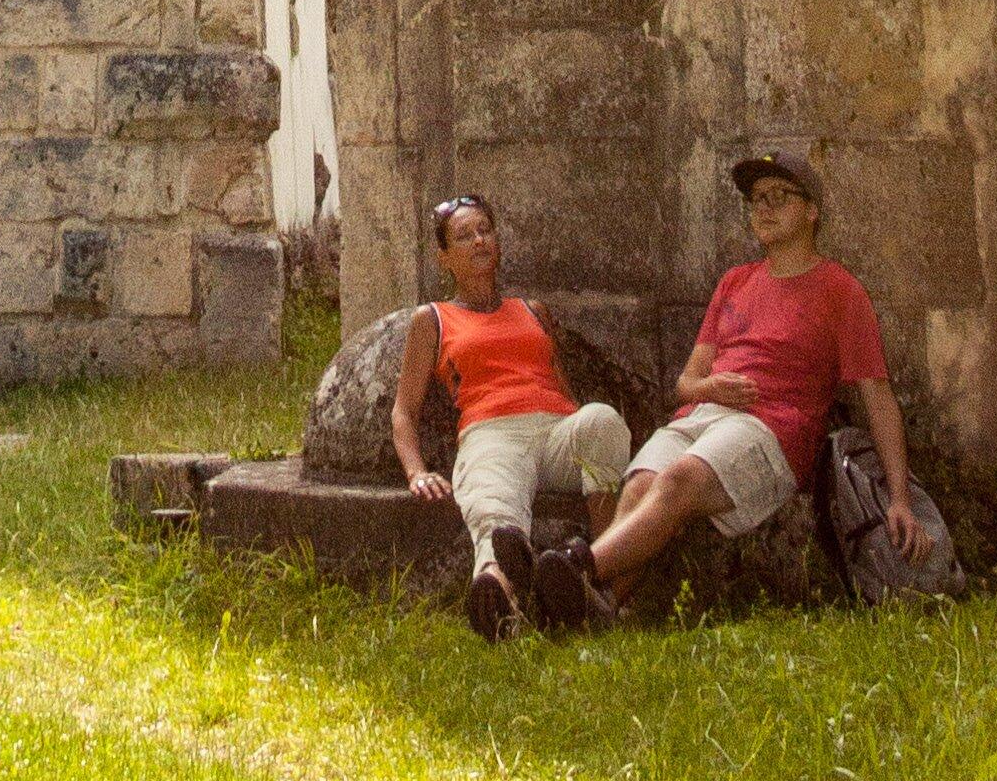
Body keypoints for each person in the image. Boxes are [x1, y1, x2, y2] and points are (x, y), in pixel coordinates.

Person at [581, 153, 937, 610]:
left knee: (676, 480)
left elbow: (878, 397)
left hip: (772, 430)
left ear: (812, 211)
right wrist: (710, 389)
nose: (763, 208)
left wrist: (899, 499)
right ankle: (597, 605)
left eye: (779, 196)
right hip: (703, 413)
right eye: (756, 199)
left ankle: (572, 570)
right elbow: (686, 383)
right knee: (639, 485)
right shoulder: (735, 281)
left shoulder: (840, 290)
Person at [389, 191, 634, 639]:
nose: (479, 241)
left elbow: (564, 388)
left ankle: (600, 583)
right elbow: (404, 411)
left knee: (602, 420)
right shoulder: (433, 318)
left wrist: (579, 426)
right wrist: (416, 471)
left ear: (498, 242)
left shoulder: (531, 311)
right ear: (444, 257)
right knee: (494, 500)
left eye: (485, 230)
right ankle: (498, 591)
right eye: (464, 236)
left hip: (556, 429)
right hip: (492, 432)